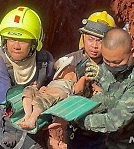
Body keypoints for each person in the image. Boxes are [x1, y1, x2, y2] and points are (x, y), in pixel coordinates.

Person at [69, 28, 134, 149]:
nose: (111, 66)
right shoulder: (113, 64)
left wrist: (79, 119)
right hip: (115, 140)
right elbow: (109, 96)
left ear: (132, 52)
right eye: (107, 61)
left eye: (117, 62)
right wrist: (81, 106)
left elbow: (113, 121)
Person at [47, 10, 116, 148]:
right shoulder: (70, 61)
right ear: (83, 37)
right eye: (90, 39)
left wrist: (104, 77)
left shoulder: (116, 64)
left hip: (104, 130)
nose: (94, 46)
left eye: (100, 41)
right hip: (73, 129)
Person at [0, 6, 54, 148]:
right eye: (11, 39)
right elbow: (9, 106)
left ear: (34, 42)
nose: (16, 46)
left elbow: (54, 89)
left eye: (23, 40)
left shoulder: (45, 60)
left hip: (35, 115)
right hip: (0, 114)